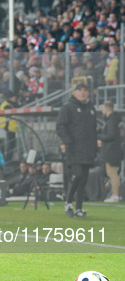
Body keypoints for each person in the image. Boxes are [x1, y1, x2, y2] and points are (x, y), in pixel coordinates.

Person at [56, 83, 97, 217]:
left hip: (88, 149)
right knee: (77, 175)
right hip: (74, 148)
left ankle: (79, 208)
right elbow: (61, 126)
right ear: (74, 93)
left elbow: (93, 130)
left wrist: (95, 147)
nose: (83, 93)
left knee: (84, 179)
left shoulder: (91, 108)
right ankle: (68, 202)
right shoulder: (67, 107)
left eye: (85, 90)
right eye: (80, 90)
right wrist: (67, 141)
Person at [98, 100, 122, 203]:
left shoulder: (111, 121)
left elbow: (111, 136)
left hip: (111, 151)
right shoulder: (113, 120)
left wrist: (98, 136)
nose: (102, 111)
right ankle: (115, 194)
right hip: (112, 151)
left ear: (106, 108)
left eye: (103, 109)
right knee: (112, 173)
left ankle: (116, 194)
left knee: (112, 173)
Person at [0, 91, 20, 161]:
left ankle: (8, 159)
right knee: (10, 145)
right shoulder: (7, 105)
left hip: (11, 127)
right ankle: (8, 159)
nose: (16, 99)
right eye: (14, 98)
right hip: (8, 127)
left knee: (11, 144)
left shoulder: (9, 104)